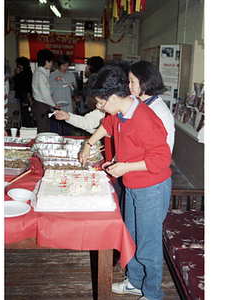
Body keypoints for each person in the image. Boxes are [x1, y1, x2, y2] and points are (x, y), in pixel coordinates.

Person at [79, 65, 172, 300]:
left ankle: (152, 294)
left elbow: (162, 159)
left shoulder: (144, 118)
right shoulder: (119, 113)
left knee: (148, 243)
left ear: (113, 97)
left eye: (100, 103)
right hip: (132, 185)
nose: (100, 107)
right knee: (130, 236)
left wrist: (126, 167)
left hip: (151, 187)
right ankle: (135, 282)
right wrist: (89, 144)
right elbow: (107, 126)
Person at [129, 60, 175, 152]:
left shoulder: (159, 111)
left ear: (145, 81)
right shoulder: (138, 103)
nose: (129, 86)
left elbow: (166, 150)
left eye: (132, 81)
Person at [31, 49, 60, 133]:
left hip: (40, 104)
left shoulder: (39, 72)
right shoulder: (40, 74)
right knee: (43, 131)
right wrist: (54, 104)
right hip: (41, 106)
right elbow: (45, 94)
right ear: (46, 61)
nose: (51, 63)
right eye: (51, 61)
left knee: (43, 129)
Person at [49, 55, 77, 134]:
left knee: (67, 127)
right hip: (56, 104)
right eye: (63, 65)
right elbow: (49, 91)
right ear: (59, 64)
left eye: (67, 65)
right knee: (54, 128)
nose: (65, 67)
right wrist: (55, 81)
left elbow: (74, 92)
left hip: (67, 104)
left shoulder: (71, 76)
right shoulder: (53, 75)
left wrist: (72, 87)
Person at [14, 56, 34, 127]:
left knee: (25, 113)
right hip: (26, 94)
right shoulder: (28, 71)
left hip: (24, 95)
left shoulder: (25, 73)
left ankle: (27, 126)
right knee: (25, 112)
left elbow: (20, 82)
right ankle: (28, 126)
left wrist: (17, 74)